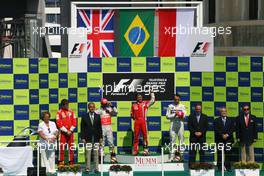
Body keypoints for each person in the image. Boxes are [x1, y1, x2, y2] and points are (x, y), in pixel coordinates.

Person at [131, 91, 155, 156]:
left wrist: (152, 93)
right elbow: (132, 115)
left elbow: (152, 100)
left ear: (142, 97)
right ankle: (135, 150)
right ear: (136, 98)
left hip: (144, 121)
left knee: (145, 135)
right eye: (138, 97)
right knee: (136, 136)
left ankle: (146, 150)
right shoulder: (133, 105)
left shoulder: (145, 103)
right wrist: (133, 117)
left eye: (141, 97)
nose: (140, 98)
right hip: (137, 122)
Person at [81, 102, 103, 173]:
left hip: (96, 138)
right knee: (88, 154)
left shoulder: (98, 116)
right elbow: (82, 128)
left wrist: (101, 137)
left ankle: (96, 169)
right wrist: (83, 138)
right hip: (88, 138)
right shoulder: (84, 116)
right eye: (90, 107)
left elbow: (100, 128)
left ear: (94, 107)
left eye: (93, 107)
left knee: (96, 154)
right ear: (88, 108)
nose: (92, 108)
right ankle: (87, 168)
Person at [95, 98, 118, 163]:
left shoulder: (109, 109)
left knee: (111, 143)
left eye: (105, 104)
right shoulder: (99, 110)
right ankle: (101, 158)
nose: (104, 105)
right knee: (102, 143)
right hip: (101, 128)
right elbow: (93, 115)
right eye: (103, 104)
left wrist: (112, 106)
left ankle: (113, 157)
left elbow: (116, 113)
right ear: (101, 104)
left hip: (108, 128)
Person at [56, 99, 77, 165]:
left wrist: (70, 130)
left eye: (67, 104)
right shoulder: (59, 112)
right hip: (63, 133)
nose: (67, 105)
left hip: (70, 133)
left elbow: (74, 122)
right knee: (61, 147)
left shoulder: (71, 112)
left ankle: (71, 161)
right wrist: (66, 131)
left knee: (71, 147)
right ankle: (61, 162)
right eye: (65, 104)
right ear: (62, 105)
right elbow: (58, 123)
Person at [166, 94, 186, 161]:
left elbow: (184, 116)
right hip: (173, 124)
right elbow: (167, 116)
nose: (176, 101)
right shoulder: (170, 106)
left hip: (180, 124)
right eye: (175, 99)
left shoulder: (182, 106)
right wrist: (174, 115)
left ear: (179, 99)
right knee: (172, 140)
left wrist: (180, 115)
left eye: (178, 99)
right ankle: (171, 157)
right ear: (173, 99)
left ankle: (182, 156)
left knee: (181, 140)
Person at [214, 107, 235, 171]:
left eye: (225, 111)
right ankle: (220, 167)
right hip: (220, 139)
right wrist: (222, 135)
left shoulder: (231, 120)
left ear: (226, 112)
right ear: (220, 112)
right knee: (220, 154)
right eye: (222, 111)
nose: (224, 112)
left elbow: (233, 129)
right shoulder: (216, 120)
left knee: (228, 154)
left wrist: (227, 135)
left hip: (229, 139)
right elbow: (216, 129)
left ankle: (228, 167)